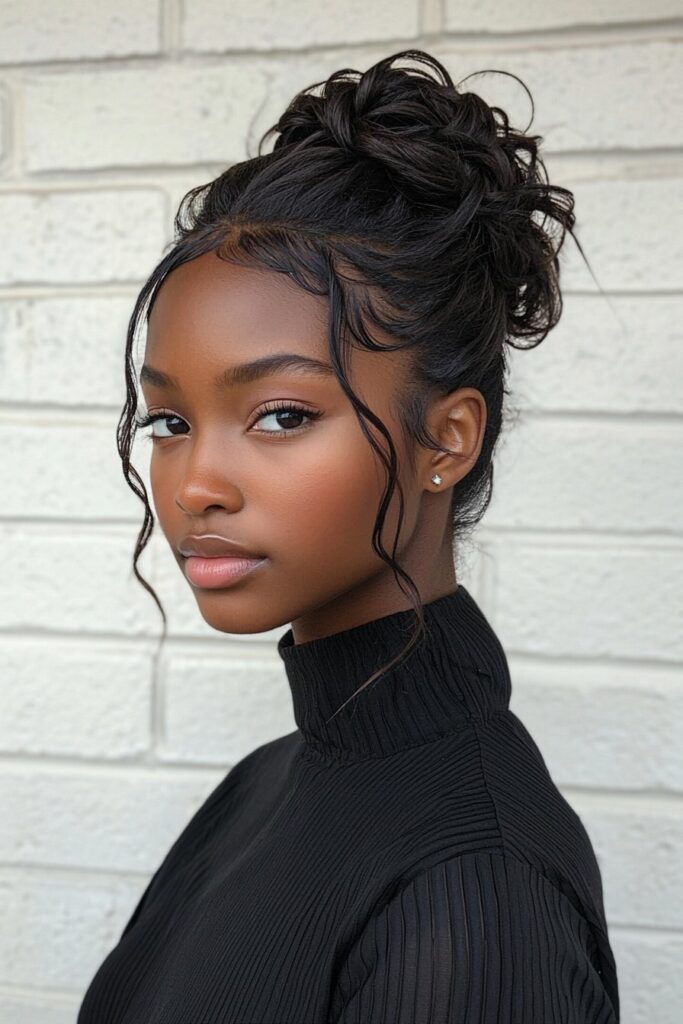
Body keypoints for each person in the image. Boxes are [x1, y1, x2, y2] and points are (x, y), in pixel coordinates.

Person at [77, 48, 619, 1024]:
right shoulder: (264, 783)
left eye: (280, 414)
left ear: (444, 440)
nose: (195, 483)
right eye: (169, 421)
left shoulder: (474, 890)